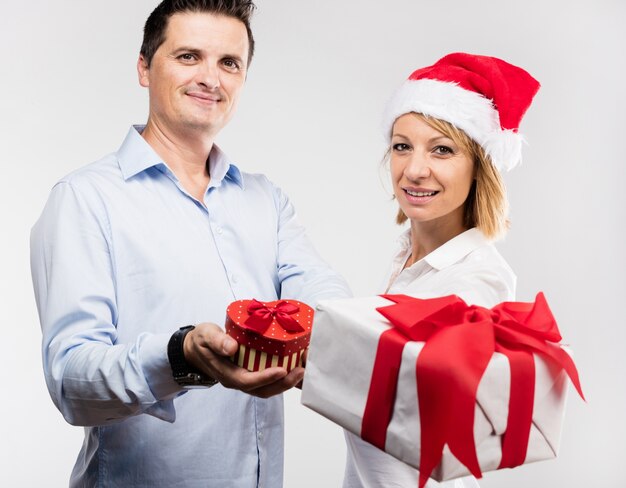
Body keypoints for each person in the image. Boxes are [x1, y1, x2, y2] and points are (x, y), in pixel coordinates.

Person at [30, 1, 350, 487]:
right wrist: (180, 355)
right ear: (144, 67)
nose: (210, 78)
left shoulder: (265, 198)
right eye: (188, 56)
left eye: (229, 63)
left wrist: (340, 326)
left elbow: (318, 287)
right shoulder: (84, 199)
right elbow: (73, 381)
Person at [342, 53, 540, 487]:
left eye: (442, 149)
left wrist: (323, 362)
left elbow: (404, 411)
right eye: (402, 146)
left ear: (480, 168)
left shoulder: (476, 282)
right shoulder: (409, 259)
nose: (414, 169)